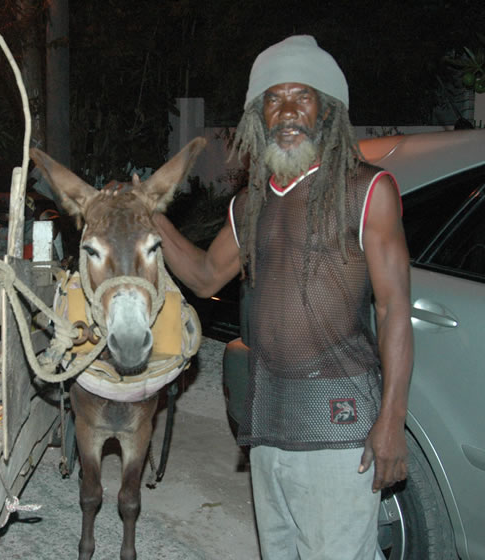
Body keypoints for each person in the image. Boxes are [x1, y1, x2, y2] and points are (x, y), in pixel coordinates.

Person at [153, 35, 413, 559]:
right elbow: (205, 277)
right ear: (258, 115)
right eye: (274, 98)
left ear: (328, 110)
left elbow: (394, 311)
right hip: (269, 419)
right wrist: (151, 218)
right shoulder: (250, 203)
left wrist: (391, 422)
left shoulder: (367, 191)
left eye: (303, 95)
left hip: (340, 420)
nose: (288, 111)